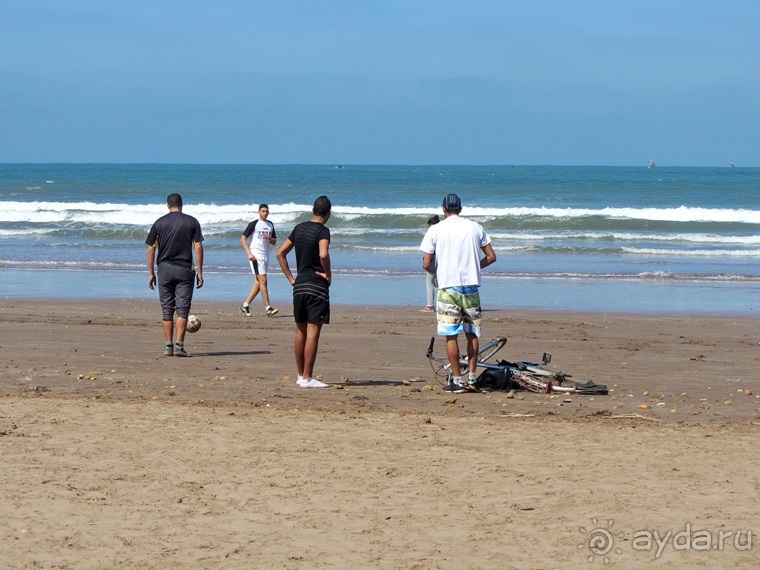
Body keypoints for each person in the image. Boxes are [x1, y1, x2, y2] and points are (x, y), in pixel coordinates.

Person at [420, 193, 496, 393]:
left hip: (448, 287)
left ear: (444, 209)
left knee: (450, 335)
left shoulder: (436, 230)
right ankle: (471, 377)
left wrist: (439, 271)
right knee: (472, 333)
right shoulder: (475, 227)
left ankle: (456, 379)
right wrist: (475, 267)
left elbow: (426, 263)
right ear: (460, 209)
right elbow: (491, 256)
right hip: (470, 287)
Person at [276, 196, 332, 389]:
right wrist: (328, 274)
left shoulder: (299, 228)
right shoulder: (323, 231)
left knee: (300, 331)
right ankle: (308, 378)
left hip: (299, 285)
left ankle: (301, 375)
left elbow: (280, 253)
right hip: (316, 284)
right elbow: (323, 253)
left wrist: (292, 279)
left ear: (312, 210)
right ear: (328, 214)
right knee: (313, 332)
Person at [146, 193, 204, 357]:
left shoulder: (159, 222)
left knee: (167, 309)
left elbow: (151, 249)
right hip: (184, 269)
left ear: (167, 205)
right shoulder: (192, 221)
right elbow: (198, 247)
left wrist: (151, 272)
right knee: (182, 309)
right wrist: (200, 271)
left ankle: (168, 346)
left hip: (164, 269)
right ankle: (179, 346)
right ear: (182, 204)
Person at [240, 204, 279, 317]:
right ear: (259, 212)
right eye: (263, 211)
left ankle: (245, 305)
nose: (265, 213)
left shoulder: (270, 224)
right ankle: (268, 308)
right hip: (256, 255)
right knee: (264, 280)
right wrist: (249, 253)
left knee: (258, 282)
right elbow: (243, 239)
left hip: (265, 255)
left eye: (267, 211)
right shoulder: (254, 224)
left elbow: (274, 242)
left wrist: (269, 238)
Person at [421, 214, 440, 312]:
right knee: (439, 280)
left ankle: (430, 304)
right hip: (442, 258)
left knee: (430, 281)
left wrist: (425, 260)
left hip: (433, 257)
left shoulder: (431, 231)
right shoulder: (443, 230)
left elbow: (428, 249)